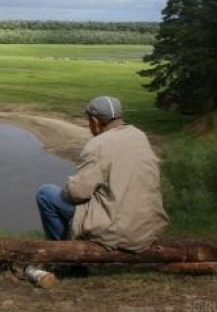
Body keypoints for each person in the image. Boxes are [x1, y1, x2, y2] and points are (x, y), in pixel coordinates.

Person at [36, 96, 169, 253]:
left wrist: (69, 185)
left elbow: (77, 193)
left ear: (95, 121)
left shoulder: (98, 144)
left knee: (46, 194)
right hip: (148, 228)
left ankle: (60, 257)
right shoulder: (139, 136)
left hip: (119, 232)